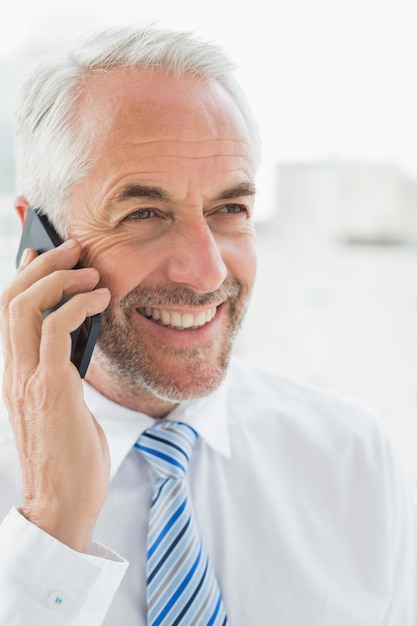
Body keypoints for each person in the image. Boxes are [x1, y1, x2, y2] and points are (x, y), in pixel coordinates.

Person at [0, 25, 416, 626]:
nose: (205, 272)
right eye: (143, 212)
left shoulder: (353, 460)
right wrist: (53, 525)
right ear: (39, 239)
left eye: (230, 209)